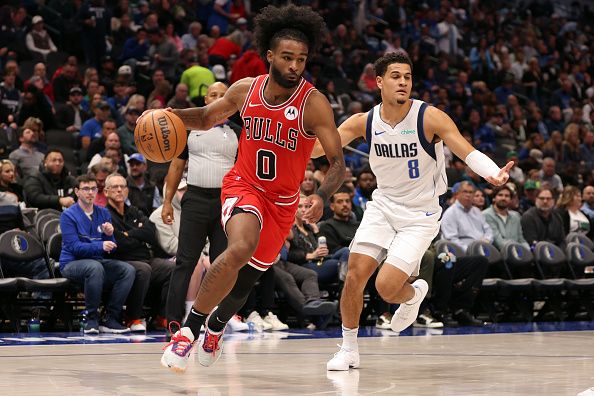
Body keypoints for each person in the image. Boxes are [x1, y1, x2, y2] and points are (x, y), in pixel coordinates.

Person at [158, 4, 345, 372]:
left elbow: (337, 163)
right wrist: (171, 116)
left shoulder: (314, 104)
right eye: (288, 57)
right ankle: (188, 333)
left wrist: (322, 196)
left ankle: (216, 326)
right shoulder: (246, 90)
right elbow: (208, 118)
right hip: (244, 186)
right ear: (270, 55)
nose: (294, 66)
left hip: (283, 202)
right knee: (240, 247)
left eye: (302, 59)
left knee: (244, 282)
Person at [310, 51, 511, 371]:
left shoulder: (429, 117)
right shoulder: (366, 121)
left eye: (407, 77)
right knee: (354, 274)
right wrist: (287, 139)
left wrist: (492, 173)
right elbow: (321, 147)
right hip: (383, 206)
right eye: (395, 76)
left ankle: (414, 294)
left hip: (420, 215)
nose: (403, 82)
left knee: (386, 287)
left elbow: (464, 149)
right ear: (379, 82)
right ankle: (348, 348)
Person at [161, 81, 239, 325]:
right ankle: (174, 322)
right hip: (194, 198)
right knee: (185, 262)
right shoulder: (189, 128)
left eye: (222, 95)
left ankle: (219, 320)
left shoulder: (239, 130)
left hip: (225, 202)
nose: (217, 98)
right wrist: (166, 202)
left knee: (223, 263)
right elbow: (176, 165)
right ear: (206, 100)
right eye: (213, 95)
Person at [59, 174, 135, 334]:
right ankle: (91, 319)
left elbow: (112, 248)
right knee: (95, 268)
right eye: (85, 189)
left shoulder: (103, 213)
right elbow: (74, 248)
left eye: (93, 188)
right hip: (71, 263)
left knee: (127, 270)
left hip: (97, 263)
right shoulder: (68, 215)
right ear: (76, 191)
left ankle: (111, 318)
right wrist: (101, 245)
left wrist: (109, 234)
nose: (90, 192)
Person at [105, 173, 174, 331]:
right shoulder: (104, 214)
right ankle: (133, 317)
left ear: (128, 191)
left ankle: (162, 316)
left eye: (123, 186)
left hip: (144, 258)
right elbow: (118, 242)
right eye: (115, 187)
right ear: (106, 191)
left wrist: (128, 234)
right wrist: (137, 234)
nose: (119, 190)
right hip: (120, 261)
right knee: (143, 270)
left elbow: (150, 232)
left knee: (172, 269)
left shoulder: (134, 211)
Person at [483, 184, 529, 250]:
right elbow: (498, 242)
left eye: (507, 196)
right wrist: (518, 250)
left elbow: (521, 240)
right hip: (498, 255)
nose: (503, 198)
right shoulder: (486, 215)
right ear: (494, 198)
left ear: (510, 199)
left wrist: (528, 251)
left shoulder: (516, 216)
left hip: (517, 254)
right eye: (500, 195)